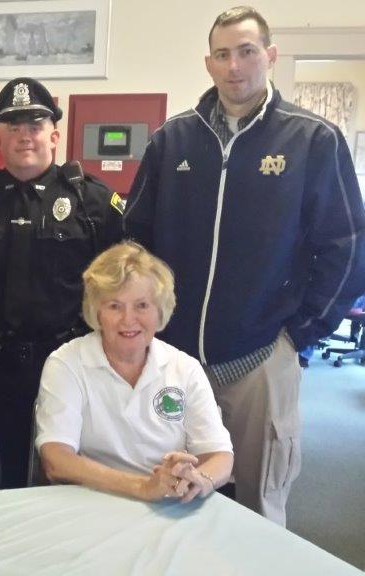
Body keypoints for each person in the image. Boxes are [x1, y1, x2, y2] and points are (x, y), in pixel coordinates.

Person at [124, 6, 365, 524]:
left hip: (261, 360)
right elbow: (135, 238)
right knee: (169, 494)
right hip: (175, 360)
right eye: (223, 54)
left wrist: (299, 334)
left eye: (247, 51)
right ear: (208, 64)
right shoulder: (173, 140)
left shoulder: (313, 140)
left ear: (270, 57)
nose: (235, 66)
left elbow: (347, 244)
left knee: (258, 505)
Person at [0, 78, 124, 488]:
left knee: (66, 471)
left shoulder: (92, 201)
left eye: (35, 124)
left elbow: (122, 280)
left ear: (55, 134)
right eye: (13, 126)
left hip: (70, 359)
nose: (24, 135)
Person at [35, 242, 234, 503]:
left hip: (171, 504)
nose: (128, 320)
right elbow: (56, 459)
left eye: (142, 306)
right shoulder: (66, 363)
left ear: (160, 311)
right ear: (96, 311)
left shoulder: (185, 368)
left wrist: (199, 481)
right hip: (90, 503)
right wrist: (142, 487)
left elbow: (219, 455)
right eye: (115, 306)